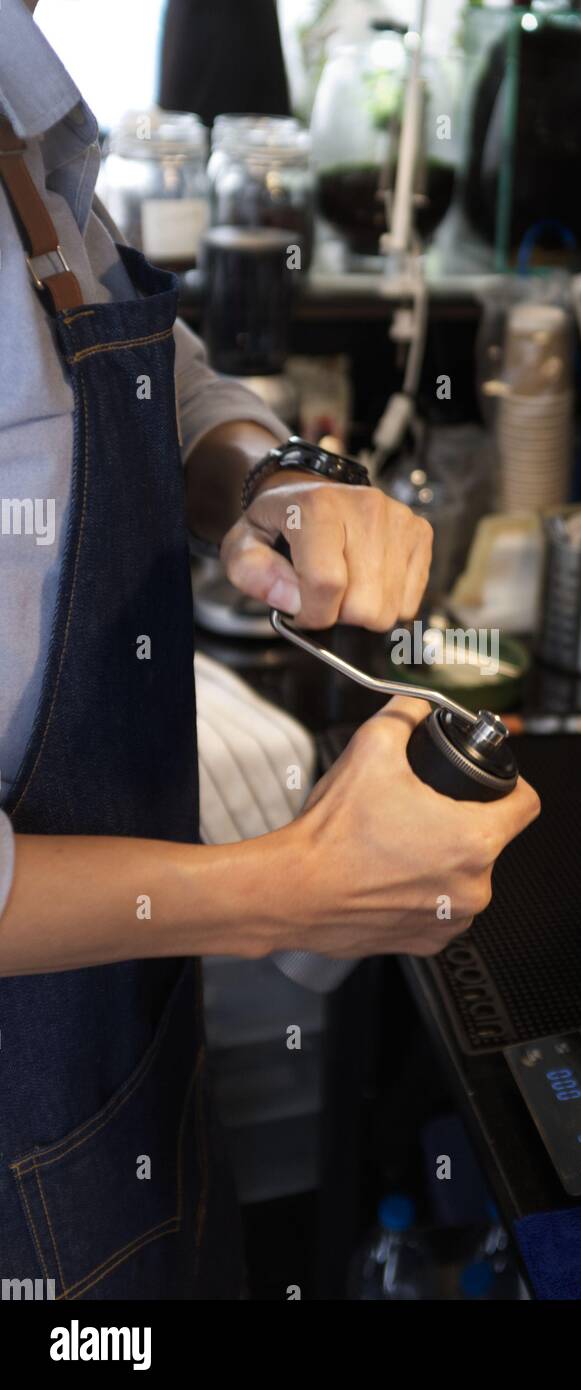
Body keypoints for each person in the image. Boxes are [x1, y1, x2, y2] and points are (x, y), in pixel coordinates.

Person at [0, 0, 539, 1300]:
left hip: (119, 1034)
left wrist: (272, 478)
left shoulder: (21, 84)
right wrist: (280, 889)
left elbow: (132, 353)